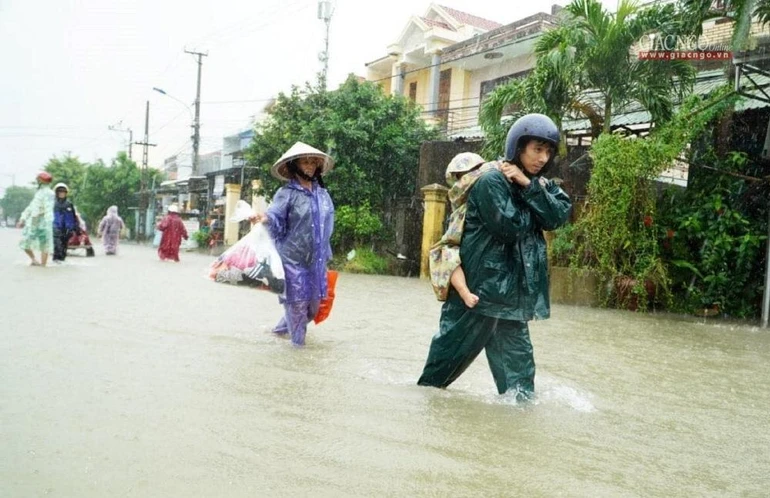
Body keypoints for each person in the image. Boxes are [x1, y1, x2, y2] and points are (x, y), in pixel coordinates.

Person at [417, 114, 572, 400]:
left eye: (547, 151)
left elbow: (558, 215)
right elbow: (510, 227)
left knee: (521, 392)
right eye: (537, 149)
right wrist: (536, 206)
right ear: (518, 147)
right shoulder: (491, 181)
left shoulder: (535, 184)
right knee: (435, 381)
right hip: (478, 295)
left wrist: (528, 186)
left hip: (512, 299)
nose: (543, 157)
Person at [249, 142, 335, 347]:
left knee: (312, 309)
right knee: (297, 306)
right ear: (294, 165)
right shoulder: (286, 193)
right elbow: (275, 216)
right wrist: (265, 219)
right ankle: (299, 353)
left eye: (313, 162)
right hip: (291, 260)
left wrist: (326, 253)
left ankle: (278, 330)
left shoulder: (323, 195)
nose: (310, 166)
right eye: (305, 161)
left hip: (315, 260)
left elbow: (327, 225)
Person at [429, 152, 499, 308]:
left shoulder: (487, 183)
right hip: (456, 235)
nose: (465, 177)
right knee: (448, 255)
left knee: (449, 254)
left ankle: (465, 293)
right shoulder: (461, 188)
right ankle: (464, 292)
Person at [17, 172, 55, 266]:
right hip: (36, 221)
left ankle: (41, 264)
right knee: (27, 242)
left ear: (42, 180)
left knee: (43, 245)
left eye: (39, 179)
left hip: (43, 221)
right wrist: (23, 218)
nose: (38, 181)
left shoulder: (49, 193)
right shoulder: (39, 193)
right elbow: (31, 207)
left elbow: (48, 208)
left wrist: (47, 222)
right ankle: (36, 261)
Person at [52, 183, 81, 263]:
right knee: (57, 247)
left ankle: (61, 263)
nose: (61, 193)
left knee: (64, 248)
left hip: (67, 230)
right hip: (55, 229)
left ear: (66, 193)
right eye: (60, 191)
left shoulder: (69, 204)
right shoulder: (52, 204)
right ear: (56, 192)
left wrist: (77, 229)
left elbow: (73, 217)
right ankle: (56, 261)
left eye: (63, 191)